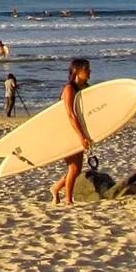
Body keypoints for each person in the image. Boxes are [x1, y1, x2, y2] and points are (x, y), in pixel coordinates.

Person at [53, 59, 93, 205]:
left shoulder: (86, 87)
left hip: (78, 129)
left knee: (77, 169)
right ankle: (68, 199)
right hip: (66, 131)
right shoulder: (69, 89)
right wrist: (81, 136)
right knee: (73, 168)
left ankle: (56, 188)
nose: (89, 72)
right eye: (86, 70)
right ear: (77, 71)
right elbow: (70, 114)